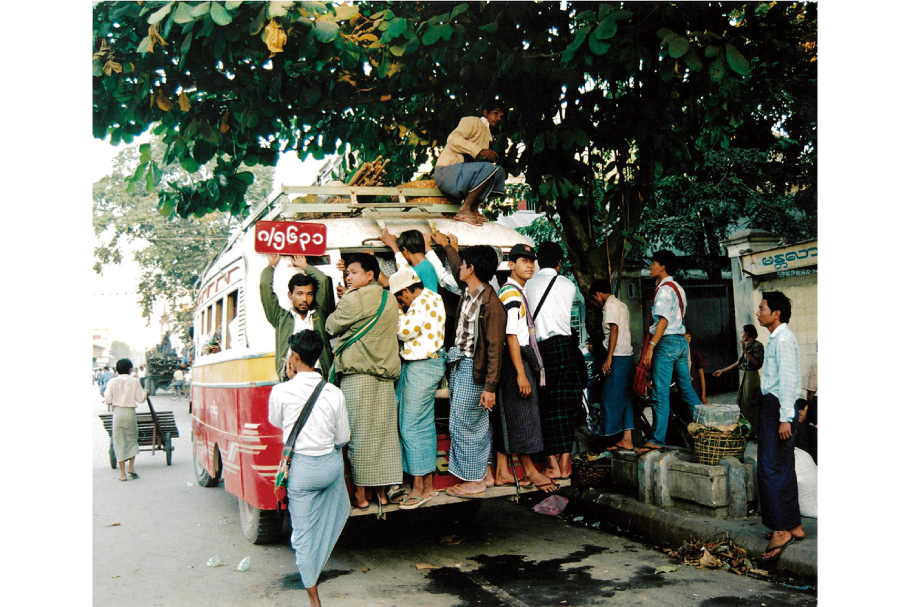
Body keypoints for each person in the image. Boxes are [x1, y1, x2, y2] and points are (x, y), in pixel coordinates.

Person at [267, 330, 349, 607]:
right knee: (337, 504)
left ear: (295, 356)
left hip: (301, 472)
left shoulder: (280, 391)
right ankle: (322, 545)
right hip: (329, 469)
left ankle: (314, 600)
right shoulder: (334, 392)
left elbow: (278, 423)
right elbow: (342, 438)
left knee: (302, 535)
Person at [326, 253, 401, 508]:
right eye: (347, 273)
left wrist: (341, 303)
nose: (348, 277)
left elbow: (331, 326)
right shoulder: (389, 299)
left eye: (354, 272)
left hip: (358, 376)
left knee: (358, 436)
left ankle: (360, 494)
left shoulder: (353, 298)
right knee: (384, 435)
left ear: (371, 275)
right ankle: (381, 492)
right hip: (386, 377)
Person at [442, 244, 506, 498]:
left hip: (473, 369)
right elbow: (458, 263)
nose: (459, 267)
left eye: (464, 264)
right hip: (462, 365)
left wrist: (490, 388)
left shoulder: (492, 304)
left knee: (466, 423)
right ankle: (484, 475)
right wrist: (448, 246)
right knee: (469, 422)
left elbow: (494, 350)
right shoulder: (470, 291)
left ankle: (475, 481)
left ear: (472, 269)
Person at [492, 244, 557, 492]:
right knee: (522, 416)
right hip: (514, 359)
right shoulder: (510, 293)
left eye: (532, 261)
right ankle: (530, 470)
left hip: (517, 357)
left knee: (512, 416)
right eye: (523, 260)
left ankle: (502, 471)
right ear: (511, 265)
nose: (529, 265)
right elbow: (510, 336)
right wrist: (521, 373)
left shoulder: (517, 291)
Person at [387, 268, 447, 509]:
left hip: (422, 365)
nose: (401, 302)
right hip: (426, 364)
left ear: (406, 291)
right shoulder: (434, 296)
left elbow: (404, 331)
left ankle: (420, 487)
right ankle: (428, 485)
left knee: (411, 425)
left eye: (400, 298)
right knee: (423, 424)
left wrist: (396, 313)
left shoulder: (420, 302)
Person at [524, 242, 584, 479]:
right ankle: (565, 462)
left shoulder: (528, 285)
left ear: (538, 260)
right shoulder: (568, 285)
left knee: (546, 406)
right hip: (566, 348)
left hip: (541, 350)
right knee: (568, 406)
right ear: (559, 262)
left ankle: (552, 464)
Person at [755, 291, 805, 562]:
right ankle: (793, 525)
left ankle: (780, 530)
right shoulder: (777, 339)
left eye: (762, 308)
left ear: (776, 313)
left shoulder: (783, 340)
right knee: (783, 466)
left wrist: (785, 416)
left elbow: (787, 381)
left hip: (778, 408)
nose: (758, 312)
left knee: (770, 468)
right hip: (777, 407)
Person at [638, 251, 702, 453]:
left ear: (662, 266)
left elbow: (663, 321)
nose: (651, 267)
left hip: (666, 343)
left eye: (653, 263)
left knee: (660, 393)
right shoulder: (678, 288)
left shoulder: (665, 290)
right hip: (681, 342)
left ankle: (657, 439)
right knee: (687, 391)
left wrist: (651, 347)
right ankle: (708, 429)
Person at [260, 254, 335, 379]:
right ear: (290, 295)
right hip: (291, 378)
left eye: (309, 294)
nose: (305, 299)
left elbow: (323, 280)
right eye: (299, 294)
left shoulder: (319, 314)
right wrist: (271, 266)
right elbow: (265, 288)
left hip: (320, 377)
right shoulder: (281, 318)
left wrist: (305, 266)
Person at [434, 102, 508, 226]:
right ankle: (465, 209)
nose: (499, 118)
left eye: (501, 116)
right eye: (496, 113)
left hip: (460, 177)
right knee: (489, 168)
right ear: (485, 112)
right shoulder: (472, 121)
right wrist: (479, 151)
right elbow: (453, 139)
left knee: (498, 171)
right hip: (447, 173)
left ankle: (473, 208)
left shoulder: (487, 134)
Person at [589, 279, 635, 451]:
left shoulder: (610, 305)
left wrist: (608, 358)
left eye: (595, 298)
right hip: (625, 355)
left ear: (598, 294)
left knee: (609, 398)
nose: (596, 301)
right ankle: (627, 438)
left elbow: (613, 330)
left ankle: (607, 439)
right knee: (624, 397)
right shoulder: (621, 304)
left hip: (617, 356)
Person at [712, 324, 764, 428]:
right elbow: (739, 362)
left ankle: (754, 429)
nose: (741, 335)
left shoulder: (757, 345)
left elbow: (757, 363)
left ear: (747, 333)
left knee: (751, 402)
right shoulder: (747, 345)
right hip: (745, 375)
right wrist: (723, 370)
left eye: (742, 332)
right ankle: (745, 427)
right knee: (743, 402)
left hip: (752, 376)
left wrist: (744, 350)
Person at [104, 358, 147, 481]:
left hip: (117, 413)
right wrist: (146, 393)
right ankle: (131, 468)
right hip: (129, 413)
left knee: (119, 441)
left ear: (117, 369)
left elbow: (107, 400)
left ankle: (122, 474)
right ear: (130, 369)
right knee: (132, 440)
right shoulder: (134, 381)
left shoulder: (112, 382)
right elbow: (140, 399)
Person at [380, 229, 439, 293]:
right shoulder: (413, 267)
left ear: (405, 250)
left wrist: (393, 245)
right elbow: (386, 282)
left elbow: (432, 295)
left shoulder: (426, 267)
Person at [685, 331, 708, 405]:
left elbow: (701, 375)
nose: (687, 338)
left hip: (695, 387)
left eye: (689, 336)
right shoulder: (677, 355)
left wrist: (703, 394)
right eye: (684, 336)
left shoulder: (695, 354)